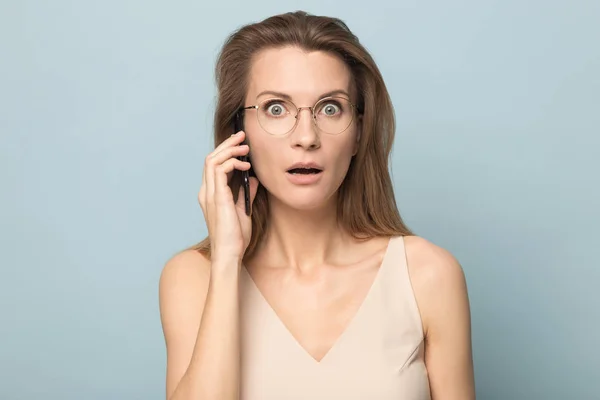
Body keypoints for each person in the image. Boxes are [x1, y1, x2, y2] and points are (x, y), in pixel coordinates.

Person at [159, 10, 475, 400]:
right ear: (239, 133)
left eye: (330, 108)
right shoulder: (192, 278)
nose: (306, 137)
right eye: (276, 108)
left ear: (359, 132)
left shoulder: (429, 275)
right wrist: (227, 260)